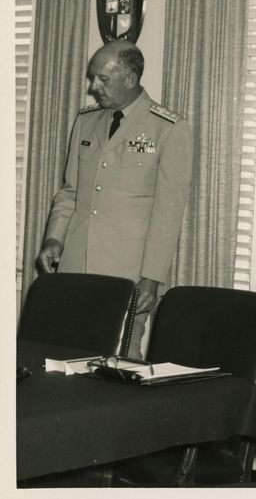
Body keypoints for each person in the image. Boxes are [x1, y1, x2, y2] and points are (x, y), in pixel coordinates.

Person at [37, 40, 193, 358]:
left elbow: (169, 212)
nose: (94, 87)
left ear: (130, 79)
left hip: (125, 273)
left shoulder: (168, 129)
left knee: (118, 367)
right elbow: (70, 192)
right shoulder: (86, 120)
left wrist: (150, 278)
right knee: (63, 362)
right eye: (94, 78)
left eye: (102, 80)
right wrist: (54, 238)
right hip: (74, 269)